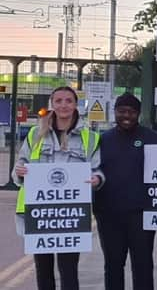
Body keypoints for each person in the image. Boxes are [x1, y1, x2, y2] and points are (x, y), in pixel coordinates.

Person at [12, 86, 103, 290]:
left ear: (75, 104)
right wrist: (19, 171)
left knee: (69, 269)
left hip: (71, 215)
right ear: (52, 104)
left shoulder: (90, 138)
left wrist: (97, 179)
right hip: (40, 213)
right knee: (43, 269)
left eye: (68, 101)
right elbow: (20, 164)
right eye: (59, 100)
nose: (64, 105)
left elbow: (98, 169)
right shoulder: (35, 133)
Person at [93, 93, 157, 290]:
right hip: (108, 215)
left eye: (132, 112)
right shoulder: (101, 141)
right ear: (114, 112)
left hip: (141, 215)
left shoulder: (154, 139)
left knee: (142, 266)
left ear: (139, 114)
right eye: (122, 111)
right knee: (113, 265)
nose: (127, 115)